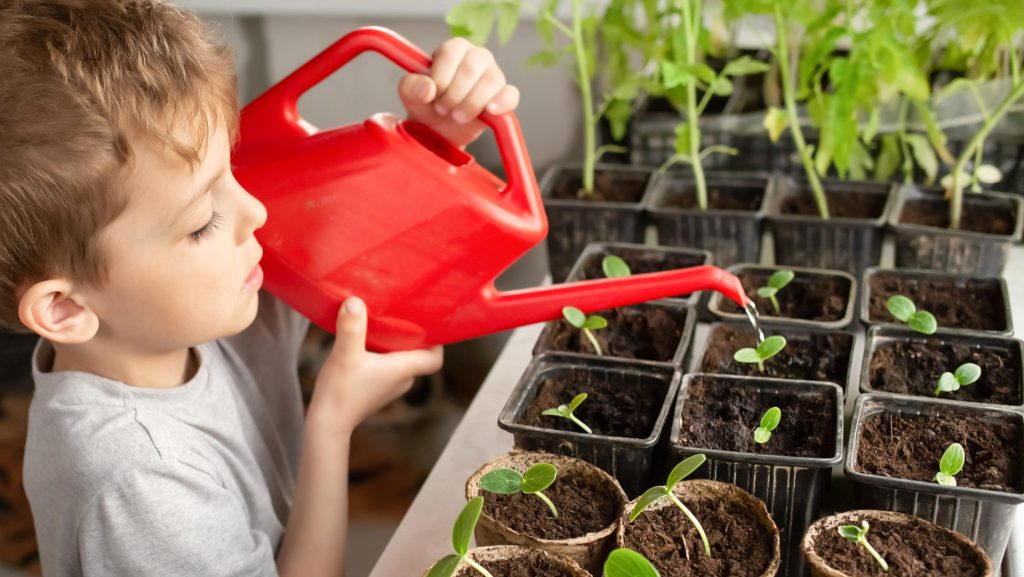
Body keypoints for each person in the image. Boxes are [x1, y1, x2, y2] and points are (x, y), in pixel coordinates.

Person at [0, 1, 520, 575]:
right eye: (201, 222)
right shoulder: (139, 482)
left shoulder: (170, 312)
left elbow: (341, 238)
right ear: (66, 307)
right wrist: (333, 423)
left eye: (234, 173)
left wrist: (437, 140)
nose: (255, 210)